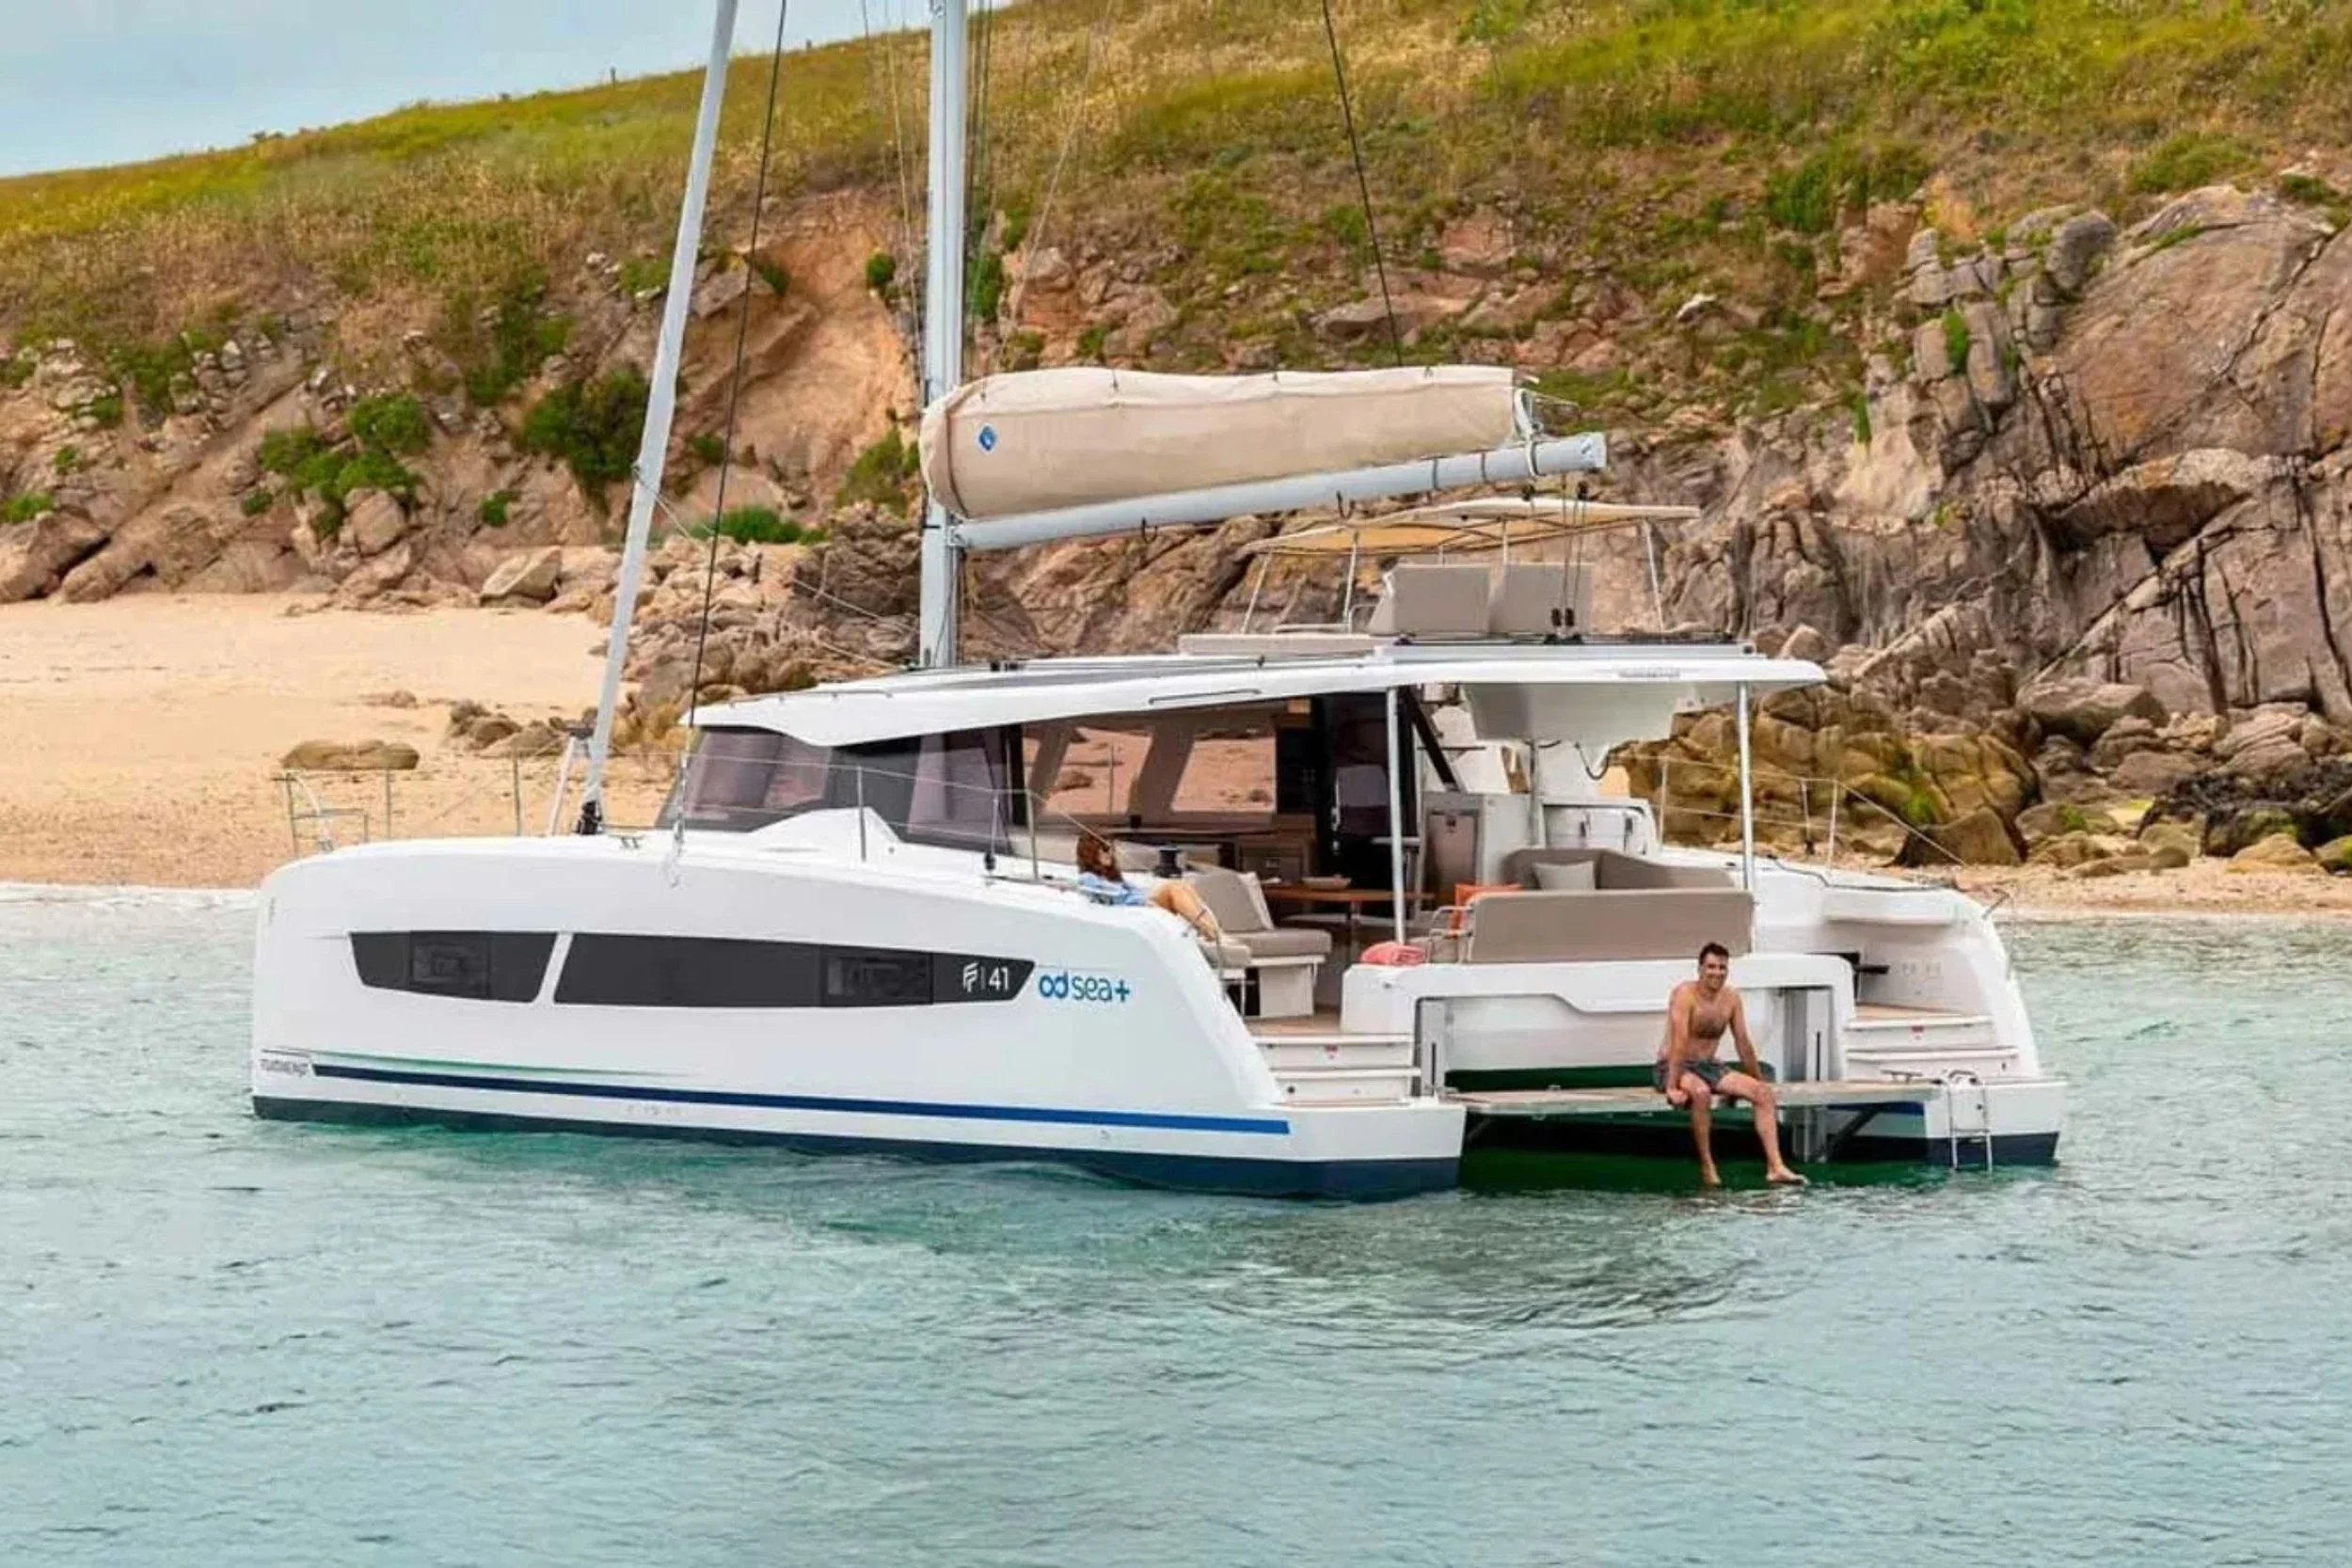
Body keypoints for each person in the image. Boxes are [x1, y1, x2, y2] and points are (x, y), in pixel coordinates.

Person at [1655, 942, 1807, 1189]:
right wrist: (1672, 1086)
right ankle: (1708, 1165)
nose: (1716, 972)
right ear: (1700, 969)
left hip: (1708, 1066)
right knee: (1701, 1093)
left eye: (1722, 967)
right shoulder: (1684, 994)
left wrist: (1757, 1079)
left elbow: (1743, 1042)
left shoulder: (1731, 997)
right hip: (1673, 1065)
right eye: (1711, 967)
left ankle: (1776, 1167)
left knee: (1763, 1094)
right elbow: (1679, 1042)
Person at [1073, 834, 1223, 942]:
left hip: (1140, 909)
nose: (1110, 853)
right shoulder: (1088, 878)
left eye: (1110, 849)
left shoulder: (1113, 877)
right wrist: (1145, 900)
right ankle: (1212, 933)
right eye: (1104, 849)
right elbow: (1117, 897)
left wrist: (1145, 898)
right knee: (1174, 888)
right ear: (1090, 853)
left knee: (1182, 885)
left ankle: (1214, 932)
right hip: (1133, 912)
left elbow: (1133, 891)